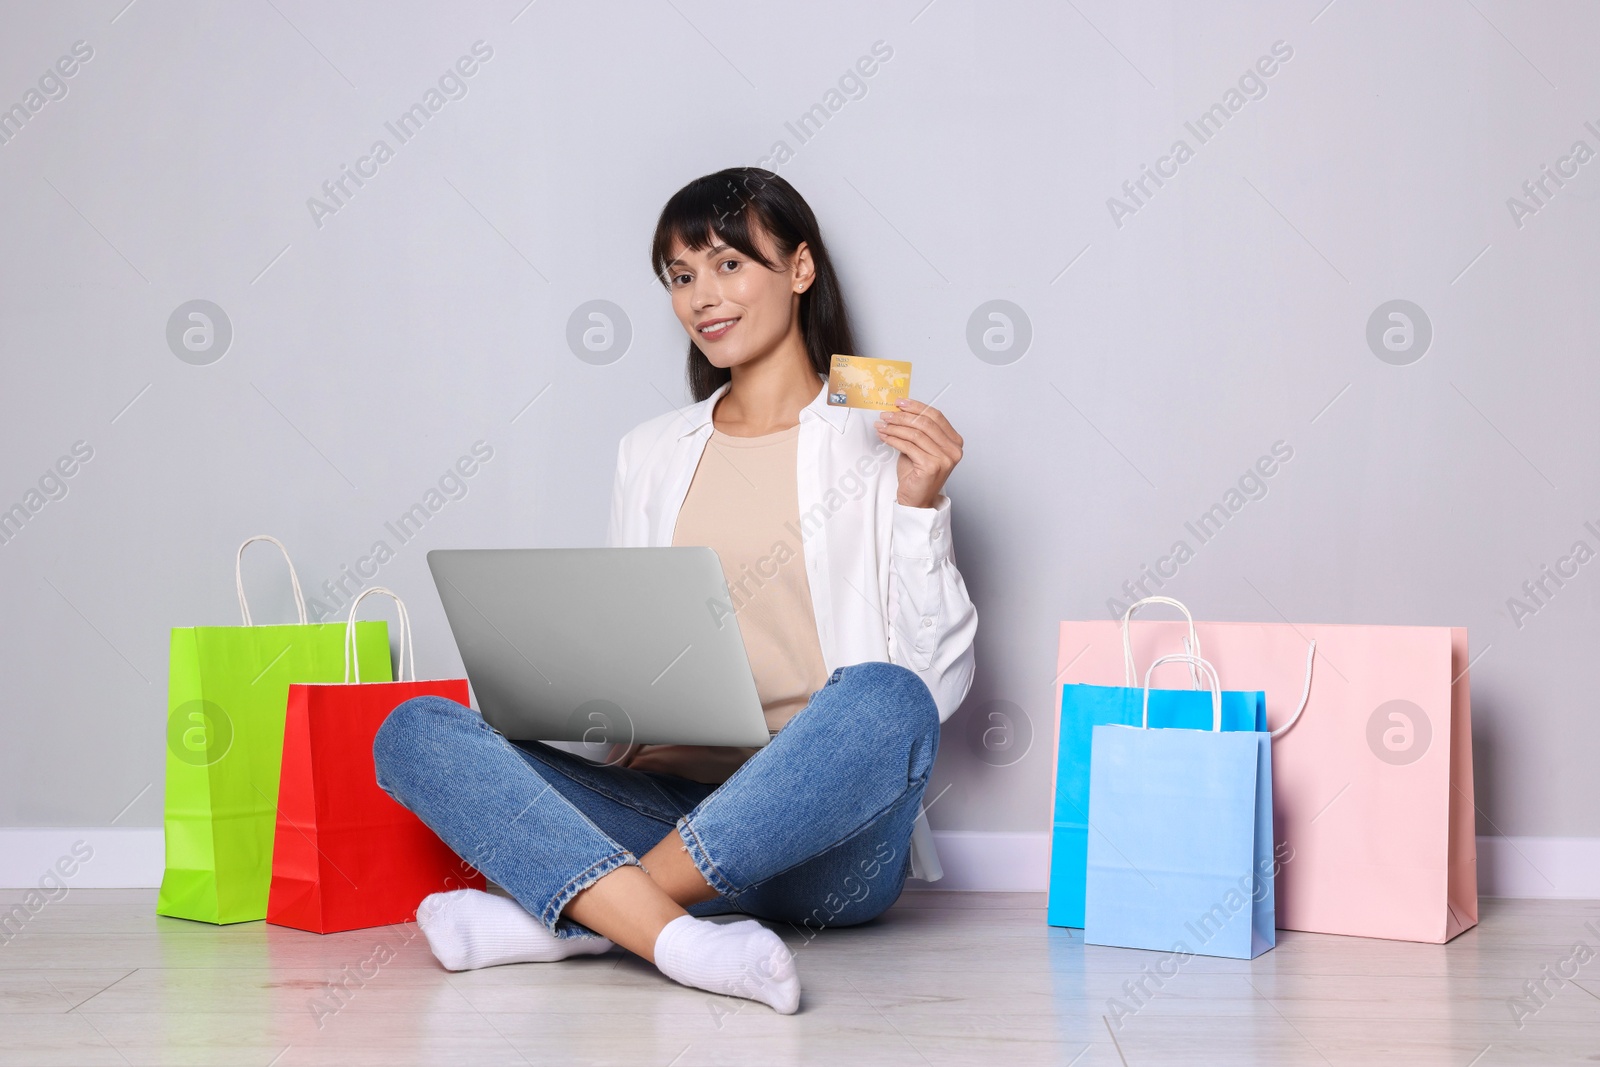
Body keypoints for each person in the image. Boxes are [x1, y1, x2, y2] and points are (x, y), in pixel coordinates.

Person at [373, 167, 977, 1014]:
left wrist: (921, 507)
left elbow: (933, 690)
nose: (703, 296)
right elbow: (634, 658)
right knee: (411, 731)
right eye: (682, 276)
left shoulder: (877, 442)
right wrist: (552, 690)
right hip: (659, 805)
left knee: (887, 699)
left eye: (730, 264)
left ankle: (580, 922)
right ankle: (678, 931)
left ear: (800, 270)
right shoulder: (650, 450)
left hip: (822, 844)